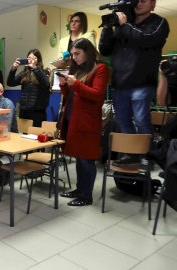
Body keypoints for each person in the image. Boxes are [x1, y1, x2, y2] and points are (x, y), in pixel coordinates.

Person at [99, 0, 169, 168]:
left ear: (153, 4)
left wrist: (124, 25)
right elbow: (105, 50)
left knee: (141, 120)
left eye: (144, 1)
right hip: (119, 85)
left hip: (142, 83)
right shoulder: (124, 25)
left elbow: (146, 39)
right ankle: (132, 155)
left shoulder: (158, 22)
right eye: (137, 0)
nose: (139, 3)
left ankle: (147, 157)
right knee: (123, 122)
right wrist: (108, 28)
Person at [58, 38, 110, 206]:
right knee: (79, 158)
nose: (74, 57)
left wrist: (76, 83)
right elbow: (72, 97)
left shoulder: (100, 68)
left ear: (88, 51)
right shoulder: (80, 70)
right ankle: (80, 189)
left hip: (87, 122)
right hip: (74, 120)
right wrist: (64, 86)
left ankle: (86, 195)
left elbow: (96, 95)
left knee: (86, 159)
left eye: (77, 54)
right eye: (72, 54)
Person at [7, 49, 50, 127]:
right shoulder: (24, 74)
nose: (31, 60)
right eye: (29, 58)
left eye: (34, 58)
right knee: (24, 135)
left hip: (37, 111)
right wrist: (13, 69)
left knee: (35, 135)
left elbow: (46, 84)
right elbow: (10, 83)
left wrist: (35, 68)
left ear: (38, 60)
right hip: (24, 110)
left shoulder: (44, 72)